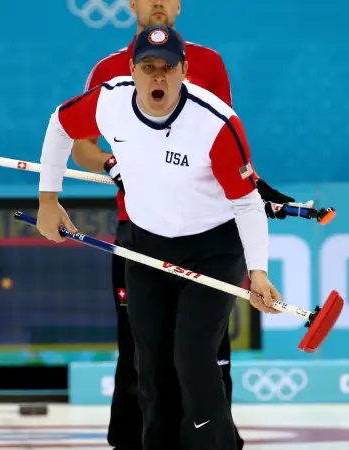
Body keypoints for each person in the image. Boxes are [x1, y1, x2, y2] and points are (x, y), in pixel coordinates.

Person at [36, 25, 281, 450]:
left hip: (213, 248)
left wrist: (257, 272)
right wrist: (47, 201)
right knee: (148, 365)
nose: (158, 78)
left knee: (193, 357)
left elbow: (246, 203)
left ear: (184, 71)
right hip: (146, 245)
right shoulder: (110, 100)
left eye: (168, 68)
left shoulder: (216, 124)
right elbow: (60, 124)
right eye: (148, 68)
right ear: (132, 70)